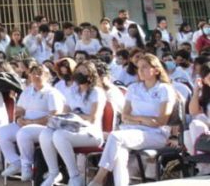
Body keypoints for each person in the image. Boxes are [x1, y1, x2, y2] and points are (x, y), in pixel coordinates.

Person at [90, 55, 176, 186]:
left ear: (156, 70)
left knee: (115, 137)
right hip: (132, 131)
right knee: (119, 153)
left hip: (156, 134)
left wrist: (136, 119)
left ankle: (98, 179)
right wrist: (144, 120)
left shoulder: (165, 89)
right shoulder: (133, 88)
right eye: (139, 67)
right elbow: (125, 116)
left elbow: (161, 121)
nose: (140, 70)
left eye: (145, 67)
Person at [39, 63, 106, 186]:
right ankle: (54, 173)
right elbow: (65, 112)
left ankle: (74, 176)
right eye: (78, 71)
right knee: (45, 134)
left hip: (91, 132)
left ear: (91, 75)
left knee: (59, 136)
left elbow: (92, 118)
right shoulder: (72, 91)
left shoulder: (97, 92)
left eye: (84, 72)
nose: (80, 74)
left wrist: (75, 116)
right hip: (72, 128)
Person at [0, 63, 65, 181]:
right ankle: (15, 162)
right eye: (33, 73)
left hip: (46, 128)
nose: (36, 76)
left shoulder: (52, 93)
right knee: (2, 132)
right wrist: (19, 119)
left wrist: (32, 122)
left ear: (47, 75)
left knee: (24, 133)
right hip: (25, 124)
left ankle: (27, 166)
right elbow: (19, 110)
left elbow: (55, 115)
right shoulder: (27, 91)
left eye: (39, 73)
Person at [183, 64, 210, 176]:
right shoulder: (205, 97)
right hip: (207, 136)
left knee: (191, 132)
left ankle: (204, 168)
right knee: (193, 126)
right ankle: (205, 167)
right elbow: (193, 111)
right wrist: (196, 90)